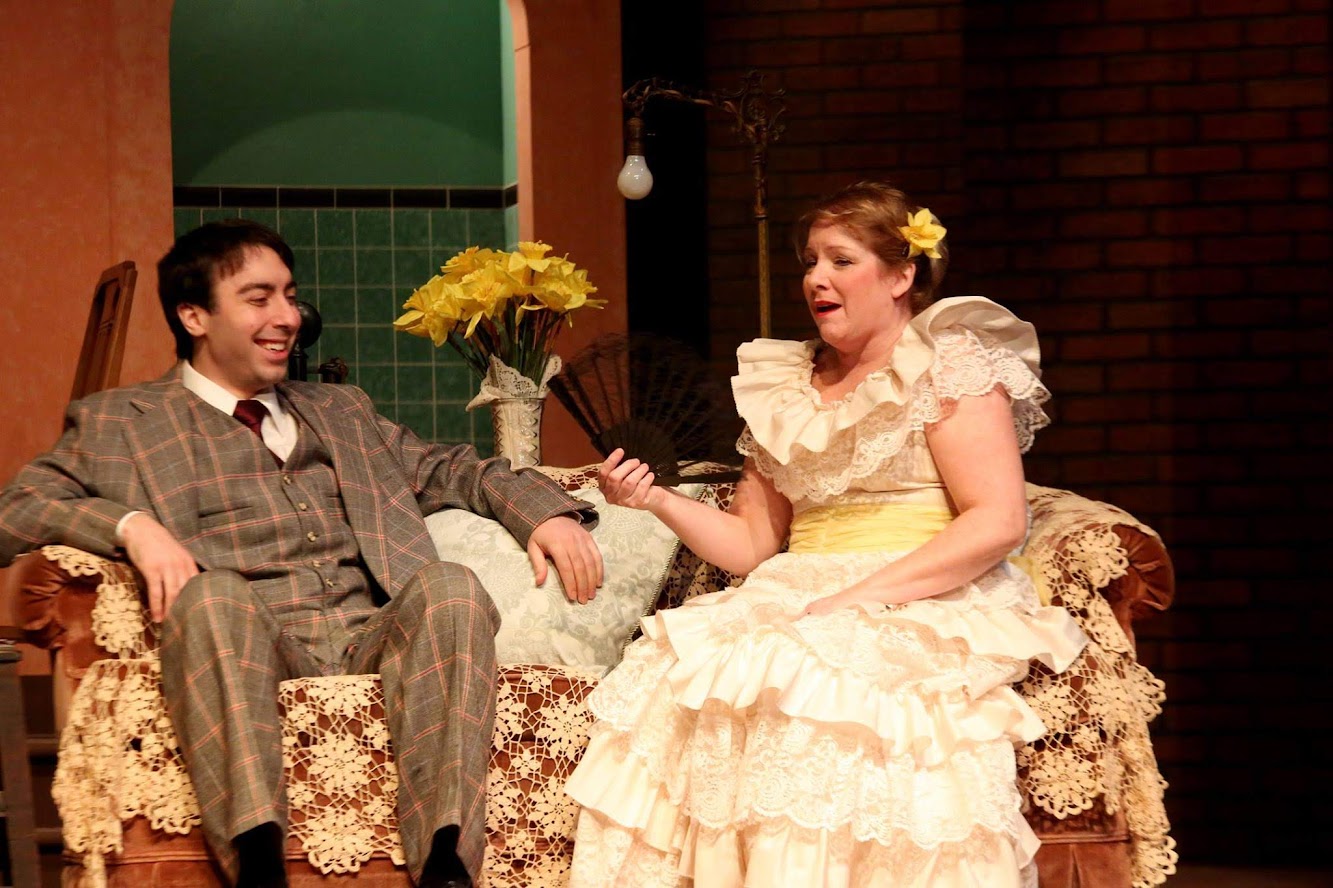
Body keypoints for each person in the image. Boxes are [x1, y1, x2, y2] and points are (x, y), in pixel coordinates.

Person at [0, 220, 604, 888]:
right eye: (258, 298)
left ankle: (447, 864)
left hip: (368, 638)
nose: (288, 317)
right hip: (250, 641)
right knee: (213, 594)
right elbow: (15, 510)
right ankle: (258, 865)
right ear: (194, 315)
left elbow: (453, 467)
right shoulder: (123, 422)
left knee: (451, 586)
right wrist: (132, 525)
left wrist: (545, 513)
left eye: (289, 295)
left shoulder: (342, 410)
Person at [564, 181, 1088, 887]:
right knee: (686, 676)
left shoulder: (947, 364)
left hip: (924, 585)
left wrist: (858, 598)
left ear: (901, 276)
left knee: (814, 679)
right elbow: (751, 544)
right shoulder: (785, 387)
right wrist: (655, 499)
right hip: (798, 586)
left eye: (841, 260)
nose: (816, 278)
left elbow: (996, 520)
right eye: (810, 261)